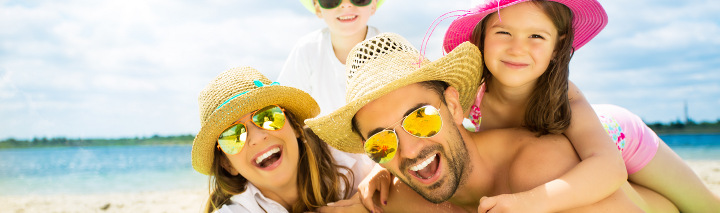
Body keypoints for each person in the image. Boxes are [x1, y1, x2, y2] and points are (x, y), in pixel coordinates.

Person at [307, 32, 676, 213]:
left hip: (615, 136)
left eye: (419, 118)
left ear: (453, 105)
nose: (409, 149)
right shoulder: (395, 195)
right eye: (382, 143)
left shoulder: (543, 173)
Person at [441, 0, 720, 212]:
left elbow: (609, 168)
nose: (517, 48)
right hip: (582, 163)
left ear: (557, 46)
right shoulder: (468, 94)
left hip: (619, 137)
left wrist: (526, 203)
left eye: (536, 36)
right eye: (504, 32)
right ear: (483, 37)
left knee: (704, 205)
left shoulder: (564, 94)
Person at [191, 66, 369, 213]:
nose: (257, 138)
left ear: (296, 127)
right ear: (227, 164)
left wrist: (380, 175)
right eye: (233, 136)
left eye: (268, 116)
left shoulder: (348, 159)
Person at [278, 0, 385, 116]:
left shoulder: (391, 49)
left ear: (373, 5)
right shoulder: (307, 50)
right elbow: (286, 108)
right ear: (318, 9)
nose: (346, 5)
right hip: (316, 134)